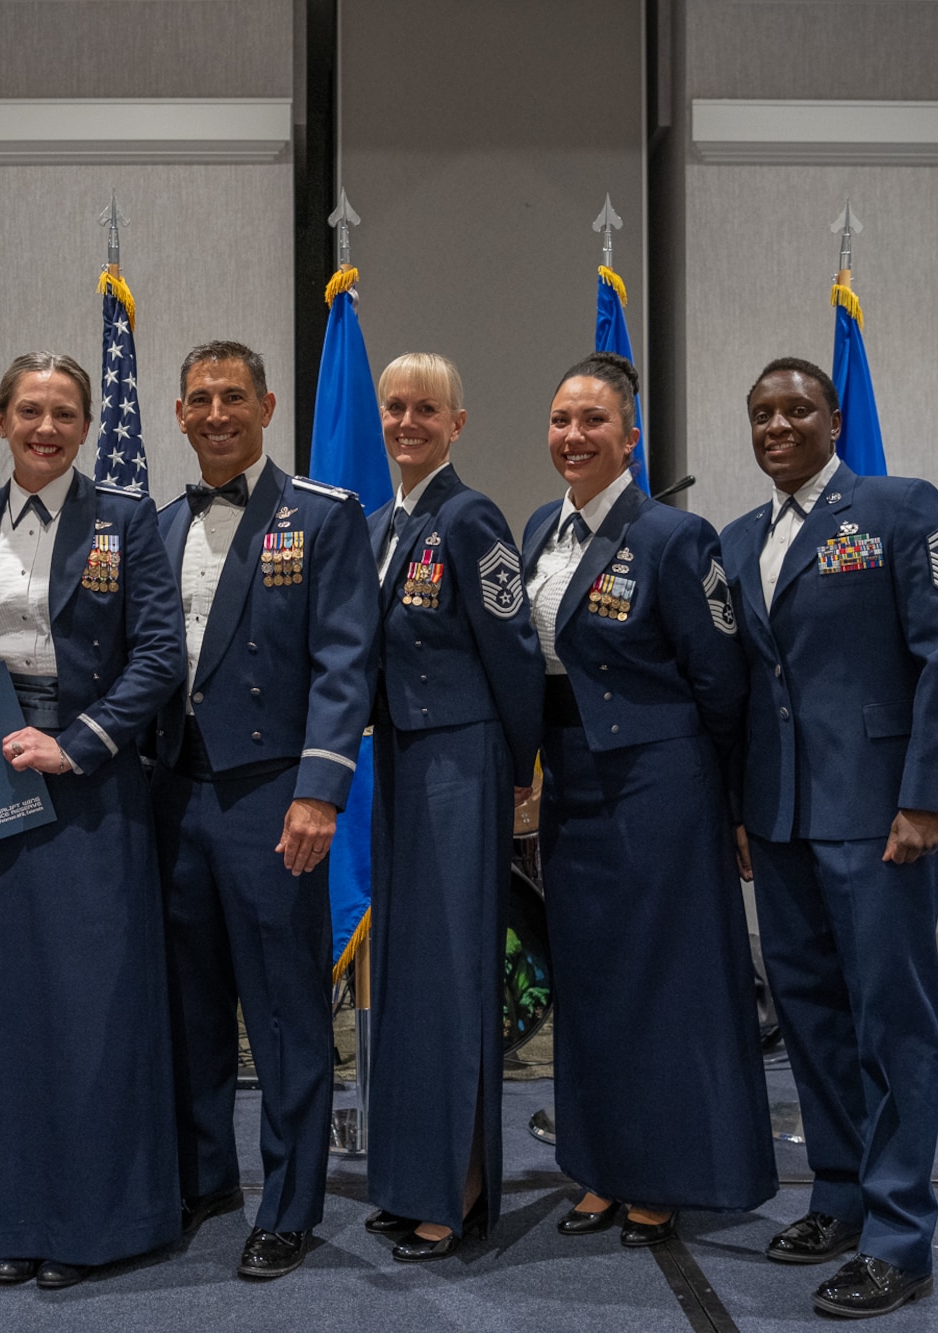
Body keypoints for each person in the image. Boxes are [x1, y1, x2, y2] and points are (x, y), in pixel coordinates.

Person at [0, 353, 184, 1290]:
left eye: (63, 413)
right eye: (28, 410)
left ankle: (93, 1220)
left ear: (88, 426)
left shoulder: (129, 523)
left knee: (91, 1009)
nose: (45, 427)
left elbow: (160, 654)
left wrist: (82, 742)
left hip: (91, 783)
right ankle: (1, 1215)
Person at [719, 358, 938, 1320]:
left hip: (882, 818)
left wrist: (929, 799)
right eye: (761, 413)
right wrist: (746, 808)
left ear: (834, 418)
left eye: (796, 409)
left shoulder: (901, 508)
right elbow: (751, 687)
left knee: (893, 1023)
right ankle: (836, 1197)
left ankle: (900, 1236)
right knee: (813, 1019)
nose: (777, 424)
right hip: (783, 820)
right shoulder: (740, 537)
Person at [520, 351, 777, 1250]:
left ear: (630, 435)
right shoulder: (535, 534)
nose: (573, 436)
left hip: (660, 787)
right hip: (573, 786)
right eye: (561, 420)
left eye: (593, 421)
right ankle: (599, 1166)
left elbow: (723, 682)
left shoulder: (676, 537)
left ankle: (664, 1176)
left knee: (663, 986)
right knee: (588, 984)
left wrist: (729, 798)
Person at [151, 340, 377, 1280]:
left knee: (284, 1016)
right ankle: (206, 1179)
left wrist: (320, 791)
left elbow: (344, 661)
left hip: (274, 798)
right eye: (199, 398)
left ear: (268, 405)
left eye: (232, 396)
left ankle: (287, 1205)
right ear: (177, 414)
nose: (215, 413)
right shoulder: (155, 525)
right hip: (173, 796)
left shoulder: (322, 516)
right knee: (190, 1009)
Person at [360, 353, 540, 1261]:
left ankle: (462, 1189)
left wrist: (516, 770)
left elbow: (512, 649)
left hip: (460, 763)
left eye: (425, 408)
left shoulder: (471, 518)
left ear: (457, 423)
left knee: (454, 979)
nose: (405, 422)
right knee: (406, 978)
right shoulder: (386, 521)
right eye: (394, 407)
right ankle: (409, 1176)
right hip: (399, 759)